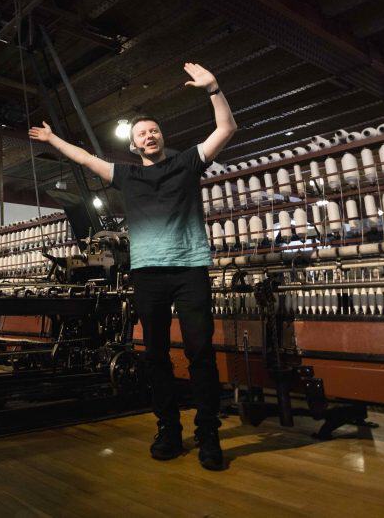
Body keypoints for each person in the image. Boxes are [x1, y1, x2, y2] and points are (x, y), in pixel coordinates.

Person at [28, 62, 236, 471]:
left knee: (200, 353)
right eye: (141, 133)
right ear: (134, 145)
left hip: (190, 269)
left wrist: (214, 89)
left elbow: (226, 130)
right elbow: (87, 159)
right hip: (148, 274)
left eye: (153, 130)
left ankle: (208, 433)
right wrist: (53, 139)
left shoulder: (187, 162)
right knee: (155, 355)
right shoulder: (125, 177)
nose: (149, 135)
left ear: (162, 137)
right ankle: (169, 429)